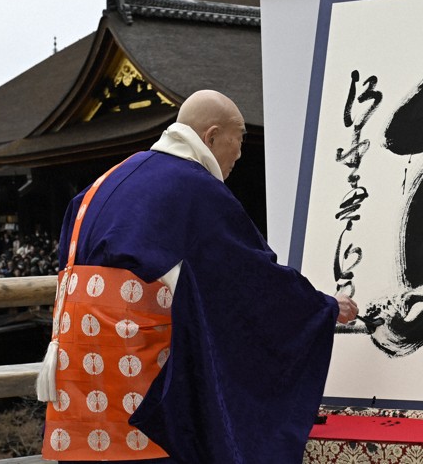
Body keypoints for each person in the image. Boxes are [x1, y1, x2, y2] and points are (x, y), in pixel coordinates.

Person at [37, 89, 357, 464]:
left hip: (76, 369)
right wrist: (321, 308)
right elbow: (250, 281)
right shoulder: (194, 189)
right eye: (238, 142)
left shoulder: (105, 181)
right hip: (137, 369)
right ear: (212, 136)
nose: (238, 156)